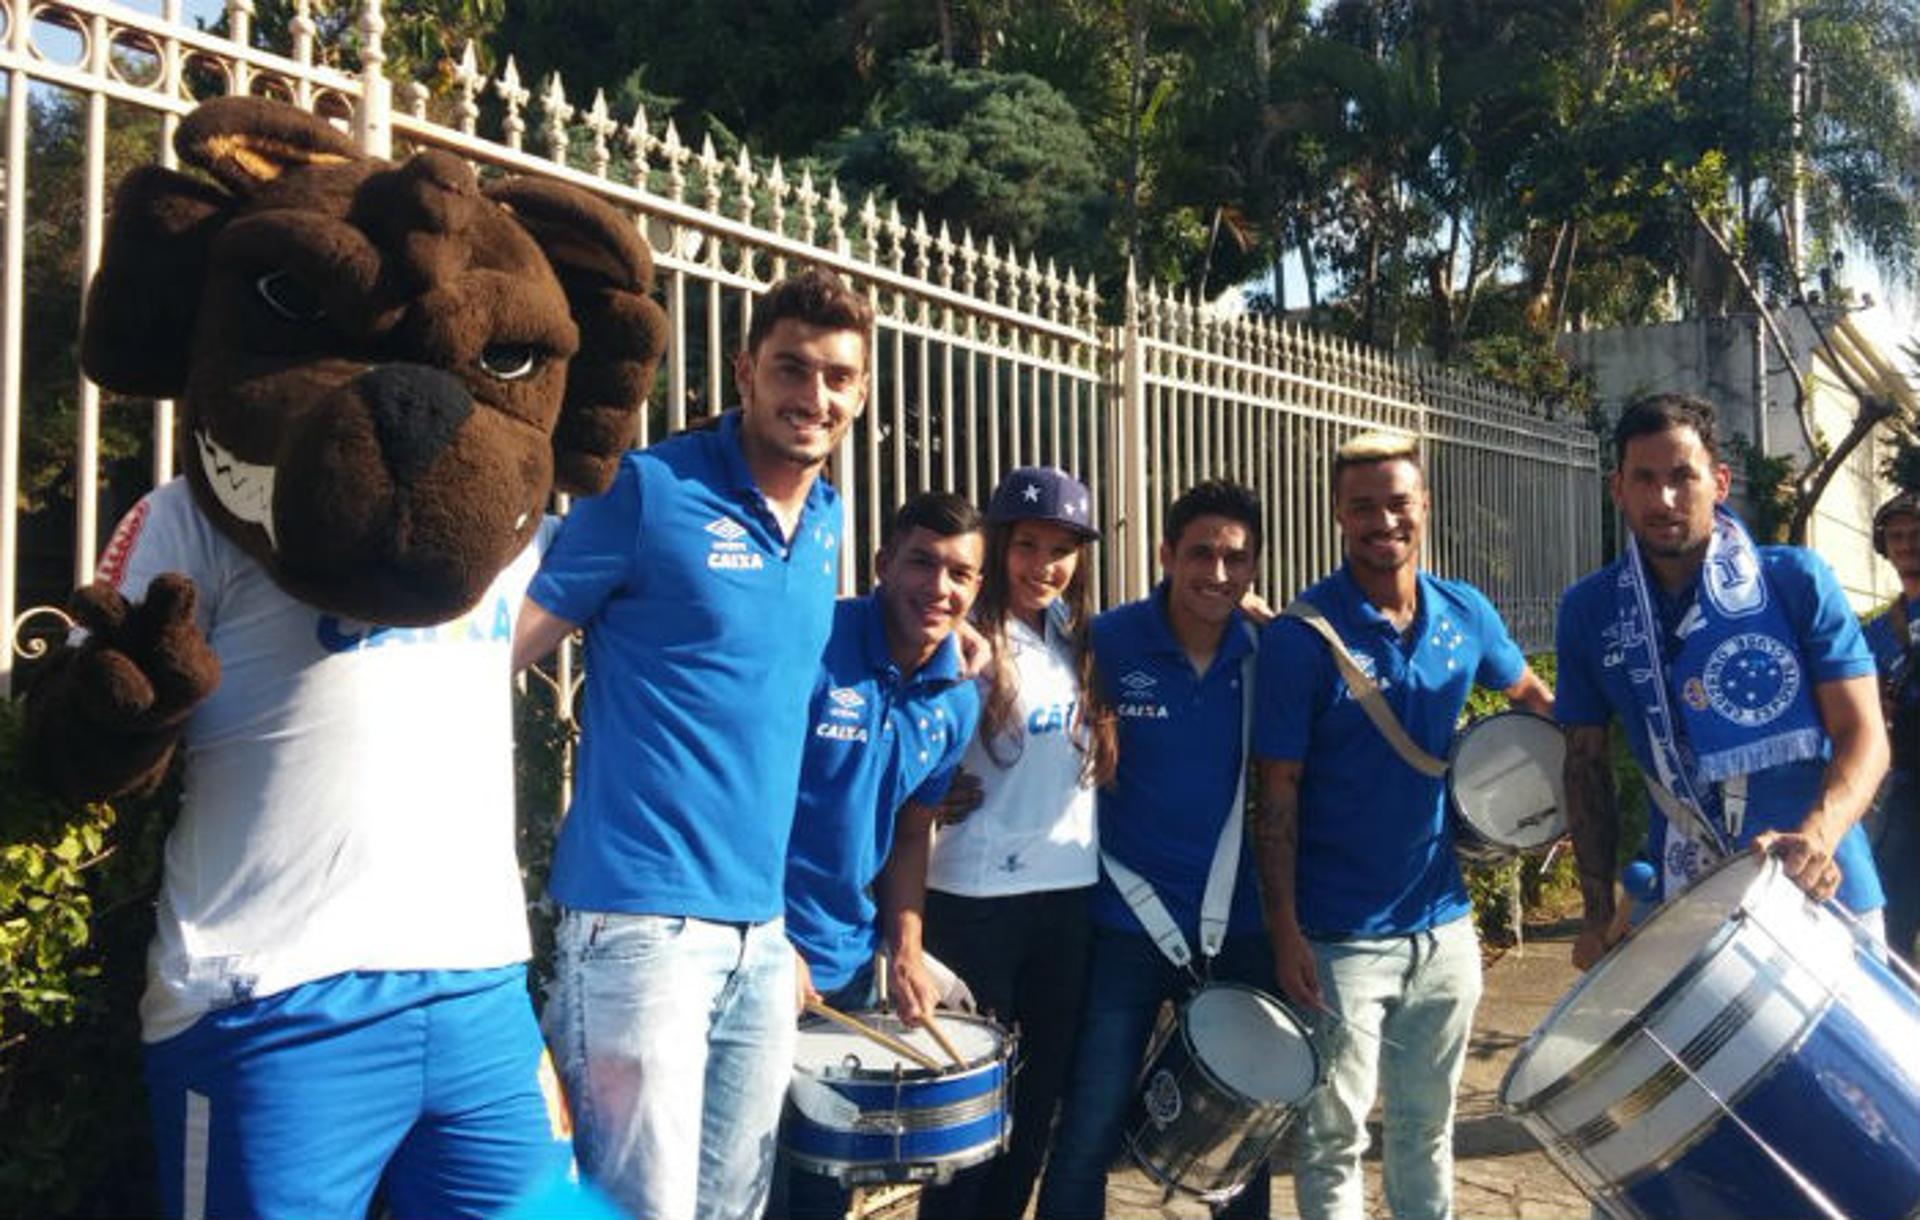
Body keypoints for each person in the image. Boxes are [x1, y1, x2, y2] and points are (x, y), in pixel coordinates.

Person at [512, 267, 873, 1220]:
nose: (815, 396)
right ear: (746, 371)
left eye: (839, 377)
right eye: (793, 369)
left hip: (762, 938)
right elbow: (500, 652)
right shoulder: (648, 489)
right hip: (638, 931)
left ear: (862, 393)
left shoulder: (829, 520)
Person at [1253, 431, 1551, 1220]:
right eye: (1362, 507)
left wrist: (1559, 794)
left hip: (1445, 924)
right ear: (1337, 516)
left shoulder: (1466, 612)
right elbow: (1275, 794)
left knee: (1427, 1126)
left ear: (1424, 506)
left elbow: (1536, 701)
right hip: (1339, 937)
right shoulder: (1303, 637)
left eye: (1397, 503)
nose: (1382, 520)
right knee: (1331, 1136)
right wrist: (1285, 931)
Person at [1557, 393, 1888, 971]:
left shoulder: (1795, 581)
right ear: (1618, 489)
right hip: (1686, 898)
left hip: (1822, 887)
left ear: (1720, 481)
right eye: (1644, 479)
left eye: (1683, 476)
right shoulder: (1590, 609)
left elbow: (1865, 735)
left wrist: (1819, 833)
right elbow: (1585, 765)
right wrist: (1593, 915)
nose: (1663, 499)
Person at [1036, 480, 1276, 1220]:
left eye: (1236, 559)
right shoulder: (1105, 640)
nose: (1217, 573)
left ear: (1255, 568)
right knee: (1090, 1126)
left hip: (1237, 929)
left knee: (1242, 1138)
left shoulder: (1270, 651)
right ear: (1166, 554)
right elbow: (1013, 693)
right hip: (1124, 928)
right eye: (1200, 553)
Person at [774, 492, 987, 1220]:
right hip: (756, 955)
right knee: (742, 1185)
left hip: (844, 962)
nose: (940, 587)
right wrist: (767, 936)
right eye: (922, 563)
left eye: (960, 573)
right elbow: (746, 799)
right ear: (881, 565)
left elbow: (910, 830)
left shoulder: (957, 696)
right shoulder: (814, 644)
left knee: (823, 1187)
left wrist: (905, 947)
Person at [915, 465, 1118, 1220]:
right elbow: (900, 745)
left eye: (1063, 548)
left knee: (1032, 1115)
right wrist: (927, 801)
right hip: (974, 903)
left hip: (1066, 901)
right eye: (1028, 545)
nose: (1046, 565)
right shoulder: (963, 638)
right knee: (966, 1123)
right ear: (999, 545)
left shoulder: (1074, 635)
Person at [1864, 491, 1920, 964]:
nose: (1906, 544)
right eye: (1896, 536)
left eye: (1916, 535)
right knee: (1893, 916)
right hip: (1906, 786)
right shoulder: (1879, 633)